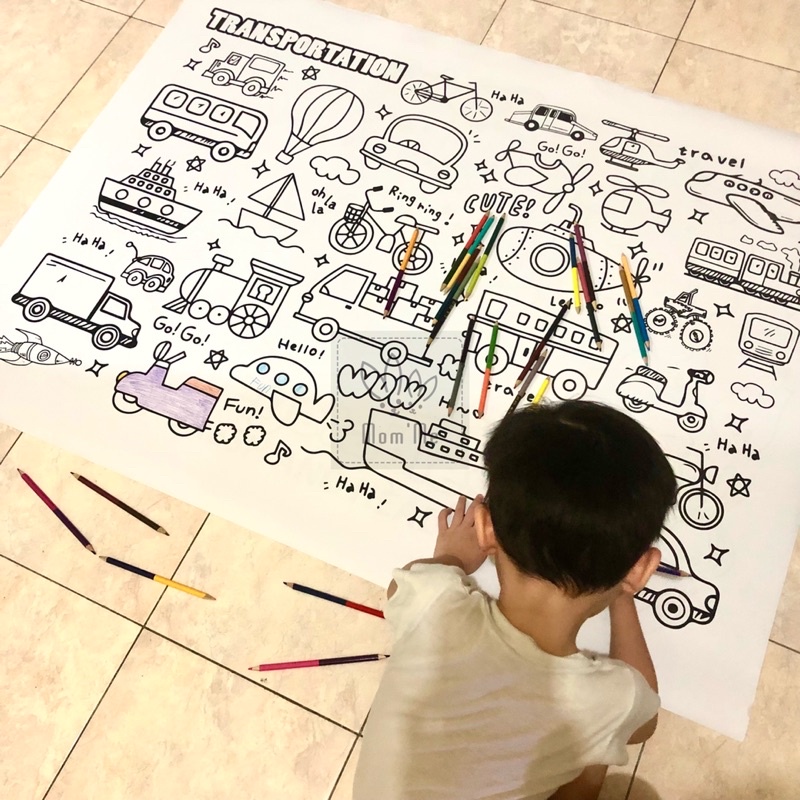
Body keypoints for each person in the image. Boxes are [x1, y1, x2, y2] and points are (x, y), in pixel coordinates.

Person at [353, 400, 677, 800]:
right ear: (640, 570)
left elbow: (400, 588)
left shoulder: (432, 599)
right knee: (596, 755)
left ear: (485, 528)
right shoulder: (611, 701)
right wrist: (621, 592)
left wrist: (451, 558)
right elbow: (644, 722)